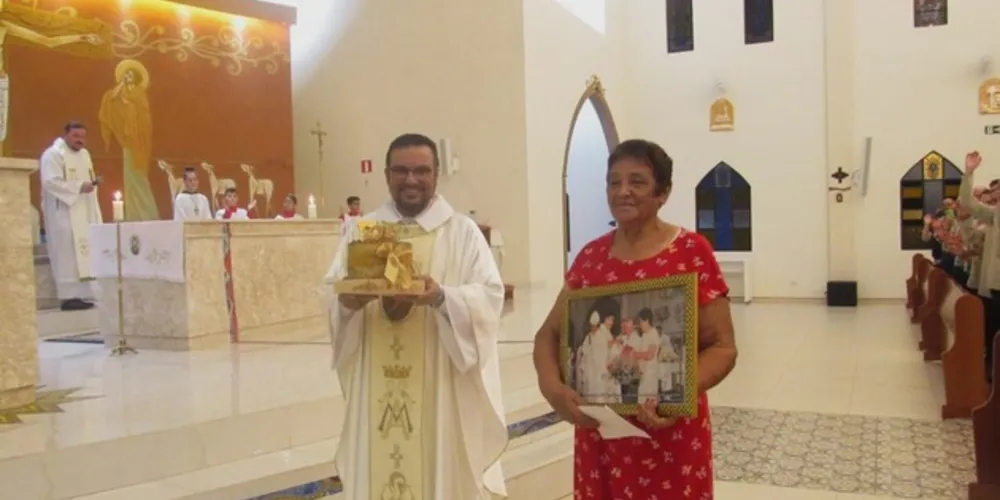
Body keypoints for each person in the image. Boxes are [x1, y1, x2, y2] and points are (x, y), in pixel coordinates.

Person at [533, 139, 737, 498]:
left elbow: (723, 346)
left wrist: (677, 397)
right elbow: (548, 336)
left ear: (664, 192)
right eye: (614, 181)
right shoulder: (591, 257)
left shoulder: (691, 252)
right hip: (602, 435)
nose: (622, 191)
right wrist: (553, 389)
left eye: (637, 181)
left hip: (669, 433)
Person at [324, 133, 507, 499]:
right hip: (375, 382)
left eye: (422, 170)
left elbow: (490, 296)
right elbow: (333, 290)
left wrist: (441, 297)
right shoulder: (362, 232)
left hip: (439, 383)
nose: (411, 180)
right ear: (387, 175)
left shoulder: (461, 233)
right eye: (401, 171)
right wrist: (349, 303)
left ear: (437, 174)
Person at [39, 121, 103, 311]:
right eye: (76, 136)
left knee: (85, 250)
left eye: (83, 137)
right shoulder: (53, 155)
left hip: (84, 210)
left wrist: (92, 183)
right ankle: (68, 296)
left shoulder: (84, 155)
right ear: (66, 135)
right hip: (64, 212)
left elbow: (86, 181)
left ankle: (84, 293)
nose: (80, 141)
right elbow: (50, 182)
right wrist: (78, 187)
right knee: (67, 253)